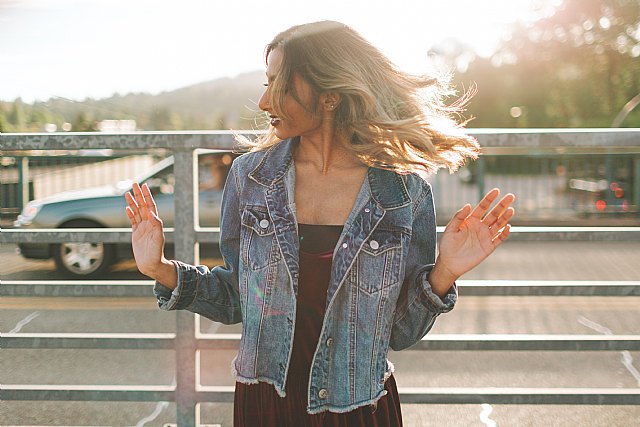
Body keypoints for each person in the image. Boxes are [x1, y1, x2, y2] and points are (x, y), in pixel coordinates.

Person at [125, 21, 515, 427]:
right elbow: (239, 297)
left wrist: (443, 272)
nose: (262, 103)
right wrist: (160, 269)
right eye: (265, 83)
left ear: (329, 96)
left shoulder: (403, 193)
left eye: (277, 85)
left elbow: (397, 333)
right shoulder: (250, 178)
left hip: (357, 406)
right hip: (267, 403)